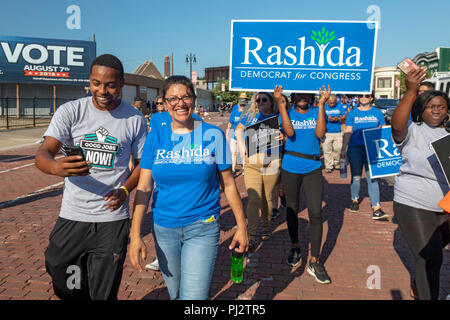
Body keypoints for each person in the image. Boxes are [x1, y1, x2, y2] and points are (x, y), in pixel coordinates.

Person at [35, 54, 148, 300]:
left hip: (112, 218)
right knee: (58, 269)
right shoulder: (71, 111)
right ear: (90, 81)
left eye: (110, 85)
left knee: (103, 292)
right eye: (96, 83)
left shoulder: (134, 118)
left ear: (122, 83)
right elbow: (43, 153)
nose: (102, 90)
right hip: (73, 214)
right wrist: (56, 168)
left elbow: (143, 165)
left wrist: (126, 190)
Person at [128, 75, 248, 300]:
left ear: (194, 100)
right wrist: (135, 235)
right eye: (172, 98)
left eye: (185, 97)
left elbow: (229, 184)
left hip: (202, 226)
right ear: (162, 102)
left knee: (192, 298)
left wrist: (241, 227)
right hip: (164, 229)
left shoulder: (214, 135)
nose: (180, 103)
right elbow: (143, 187)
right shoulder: (156, 136)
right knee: (175, 294)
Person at [391, 67, 450, 300]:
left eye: (441, 107)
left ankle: (419, 283)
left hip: (445, 206)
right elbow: (397, 126)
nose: (436, 110)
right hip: (413, 201)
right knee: (431, 257)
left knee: (432, 254)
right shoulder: (413, 131)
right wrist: (411, 90)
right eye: (430, 106)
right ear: (421, 109)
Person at [274, 85, 331, 285]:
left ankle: (314, 260)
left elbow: (320, 133)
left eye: (307, 94)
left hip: (313, 166)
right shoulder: (286, 112)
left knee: (316, 213)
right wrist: (281, 104)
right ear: (293, 95)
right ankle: (296, 246)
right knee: (292, 209)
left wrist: (322, 104)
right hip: (291, 165)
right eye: (299, 94)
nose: (303, 97)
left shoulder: (317, 111)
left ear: (311, 96)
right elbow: (289, 133)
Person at [235, 92, 281, 251]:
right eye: (258, 100)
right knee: (254, 198)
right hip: (252, 161)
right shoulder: (250, 115)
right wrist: (242, 148)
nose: (260, 102)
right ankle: (252, 235)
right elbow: (238, 130)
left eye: (264, 99)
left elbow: (289, 135)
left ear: (271, 102)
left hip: (271, 160)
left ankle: (266, 226)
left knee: (267, 197)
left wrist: (284, 137)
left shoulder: (279, 116)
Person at [340, 92, 387, 220]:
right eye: (361, 96)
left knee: (372, 177)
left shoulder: (377, 112)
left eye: (367, 96)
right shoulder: (352, 113)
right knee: (356, 176)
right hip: (355, 148)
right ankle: (354, 200)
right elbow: (348, 131)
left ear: (371, 98)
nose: (364, 98)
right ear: (358, 98)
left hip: (372, 148)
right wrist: (344, 148)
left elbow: (383, 128)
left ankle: (376, 207)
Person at [323, 94, 346, 173]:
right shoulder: (323, 106)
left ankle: (337, 163)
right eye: (329, 103)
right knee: (327, 150)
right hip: (326, 132)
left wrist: (338, 118)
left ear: (336, 101)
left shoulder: (339, 106)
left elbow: (344, 116)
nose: (331, 104)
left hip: (338, 131)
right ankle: (328, 166)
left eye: (333, 103)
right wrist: (326, 119)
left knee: (338, 149)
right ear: (327, 101)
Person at [226, 94, 248, 175]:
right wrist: (227, 135)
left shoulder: (248, 111)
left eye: (243, 103)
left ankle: (244, 168)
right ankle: (233, 169)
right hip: (234, 135)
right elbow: (230, 123)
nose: (242, 105)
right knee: (233, 152)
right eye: (241, 103)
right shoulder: (234, 110)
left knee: (243, 153)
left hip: (243, 135)